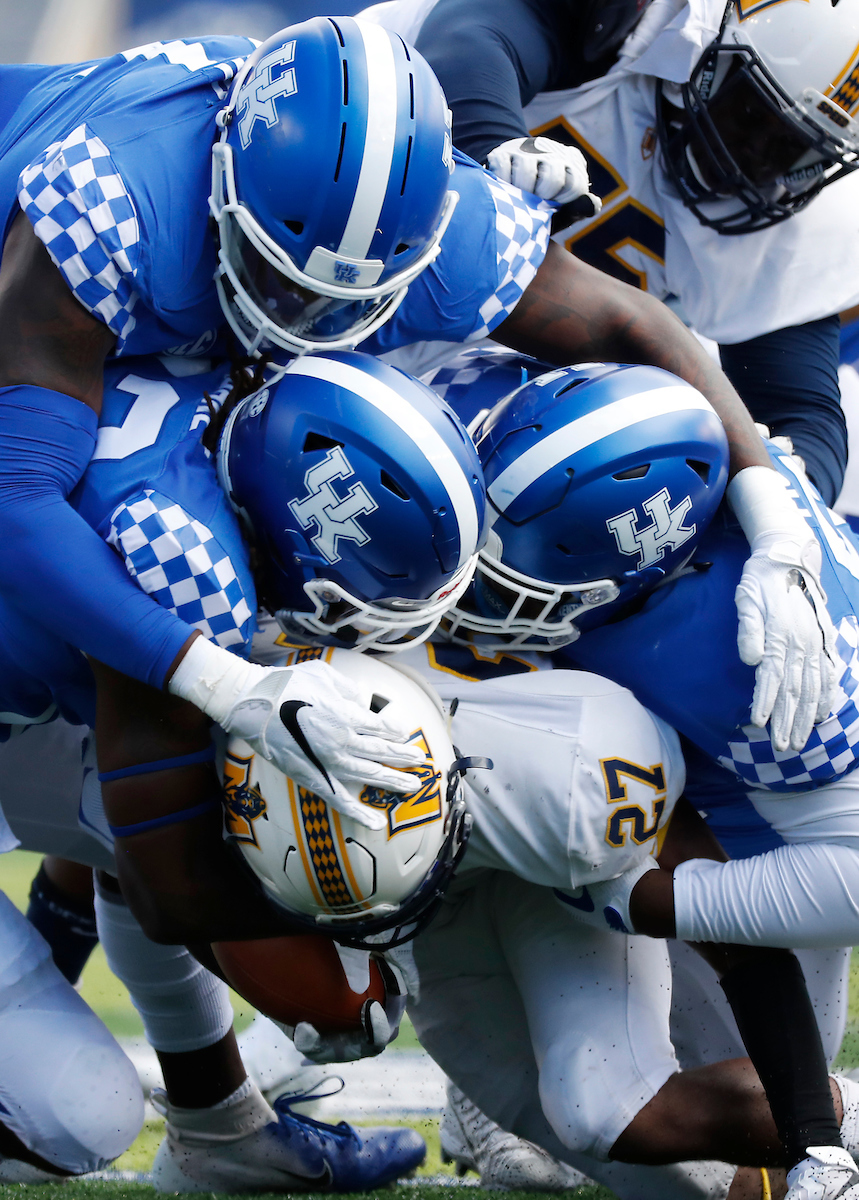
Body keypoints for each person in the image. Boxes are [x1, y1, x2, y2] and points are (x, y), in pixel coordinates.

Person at [0, 14, 837, 762]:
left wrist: (774, 522)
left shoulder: (457, 228)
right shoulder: (107, 207)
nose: (308, 326)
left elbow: (633, 327)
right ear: (223, 183)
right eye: (284, 281)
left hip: (151, 324)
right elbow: (15, 491)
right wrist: (218, 684)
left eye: (349, 302)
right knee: (159, 575)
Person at [0, 347, 487, 1189]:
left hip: (24, 719)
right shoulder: (172, 554)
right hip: (30, 714)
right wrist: (349, 921)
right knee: (77, 1117)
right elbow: (164, 883)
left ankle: (217, 1127)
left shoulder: (223, 407)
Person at [363, 0, 859, 513]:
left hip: (482, 403)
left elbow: (803, 417)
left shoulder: (815, 223)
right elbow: (469, 40)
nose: (753, 156)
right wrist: (497, 150)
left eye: (793, 154)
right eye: (749, 112)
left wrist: (786, 496)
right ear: (714, 51)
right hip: (374, 241)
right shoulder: (644, 21)